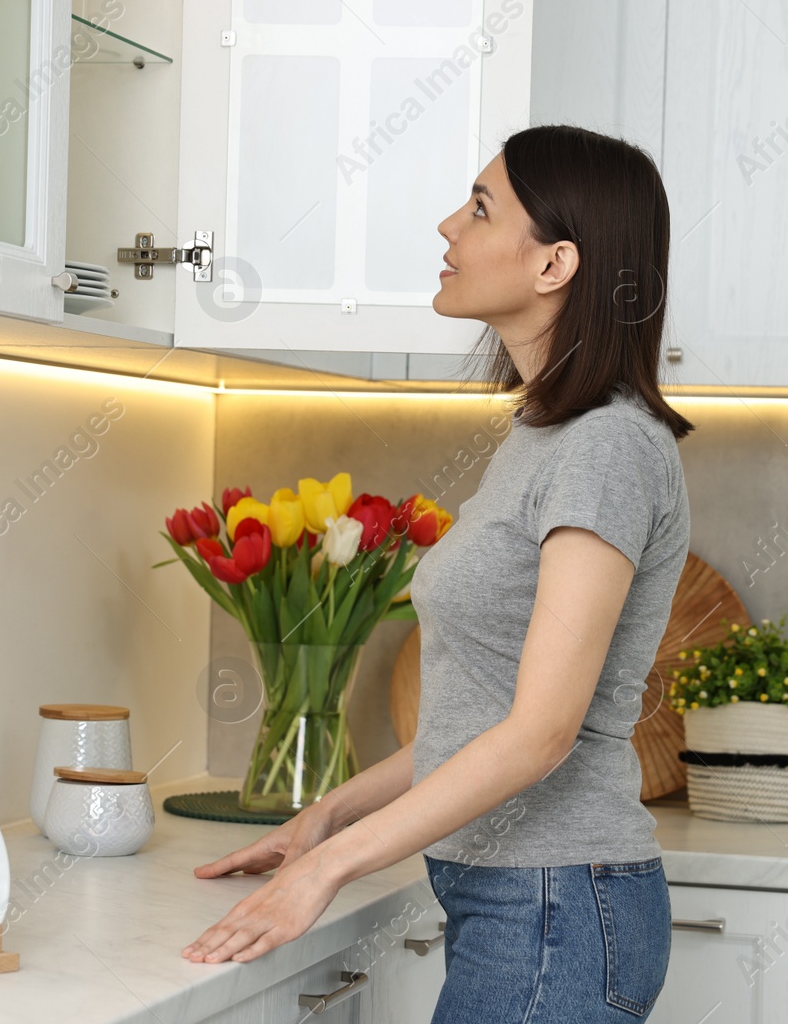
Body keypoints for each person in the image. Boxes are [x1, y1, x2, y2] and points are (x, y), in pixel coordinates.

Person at [182, 124, 694, 1022]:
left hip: (557, 907)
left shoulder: (607, 447)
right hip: (527, 904)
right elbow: (481, 721)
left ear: (554, 265)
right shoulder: (548, 436)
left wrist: (336, 867)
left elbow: (540, 733)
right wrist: (328, 818)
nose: (447, 225)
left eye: (482, 206)